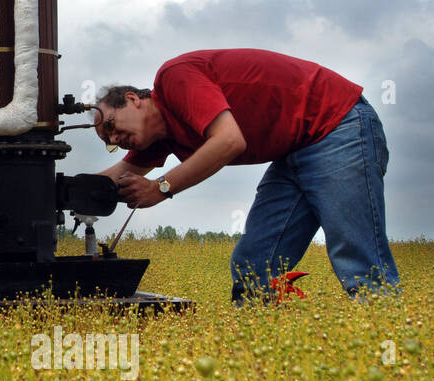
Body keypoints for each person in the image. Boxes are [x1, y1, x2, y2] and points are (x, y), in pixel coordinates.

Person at [89, 48, 399, 305]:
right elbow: (111, 179)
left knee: (356, 256)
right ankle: (259, 360)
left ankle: (391, 358)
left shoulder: (175, 78)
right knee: (255, 263)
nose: (114, 139)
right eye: (109, 142)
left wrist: (161, 188)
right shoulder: (159, 138)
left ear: (133, 99)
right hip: (295, 149)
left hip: (337, 124)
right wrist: (52, 192)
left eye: (112, 126)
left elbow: (229, 141)